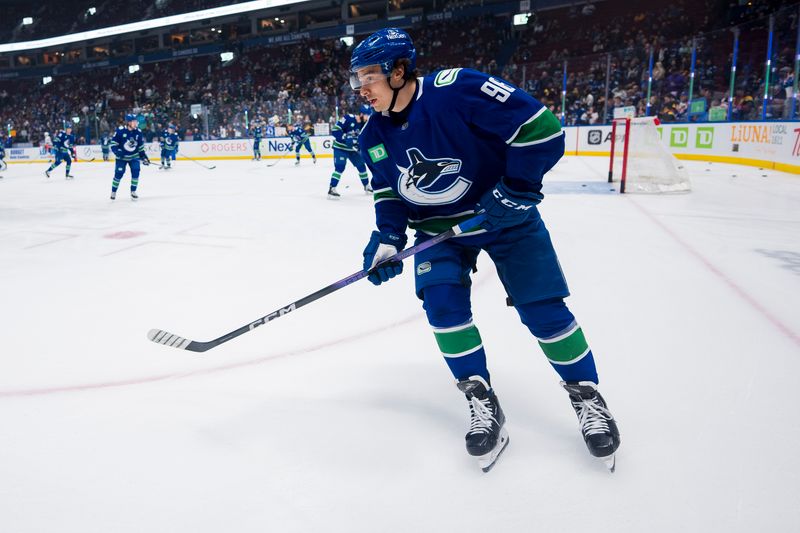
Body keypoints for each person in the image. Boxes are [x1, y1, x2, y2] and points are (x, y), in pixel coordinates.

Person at [351, 28, 620, 472]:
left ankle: (588, 398)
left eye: (369, 77)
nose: (362, 89)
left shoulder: (456, 90)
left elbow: (542, 129)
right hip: (441, 231)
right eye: (356, 79)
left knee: (544, 311)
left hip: (507, 218)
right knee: (443, 307)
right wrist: (387, 238)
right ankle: (481, 400)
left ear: (399, 72)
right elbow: (389, 191)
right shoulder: (372, 136)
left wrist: (514, 190)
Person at [328, 108, 371, 198]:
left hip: (352, 150)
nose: (368, 117)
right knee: (340, 168)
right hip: (340, 148)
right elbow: (335, 130)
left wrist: (359, 145)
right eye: (367, 115)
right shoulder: (348, 118)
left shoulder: (364, 124)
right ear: (361, 114)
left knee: (362, 167)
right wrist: (345, 137)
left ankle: (367, 186)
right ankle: (332, 189)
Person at [109, 113, 150, 200]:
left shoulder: (138, 132)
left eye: (136, 121)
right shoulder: (120, 131)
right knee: (118, 174)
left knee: (136, 171)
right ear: (128, 122)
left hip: (134, 157)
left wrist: (144, 157)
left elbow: (140, 147)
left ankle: (133, 191)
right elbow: (113, 144)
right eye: (134, 122)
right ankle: (113, 191)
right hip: (121, 158)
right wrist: (117, 151)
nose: (136, 123)